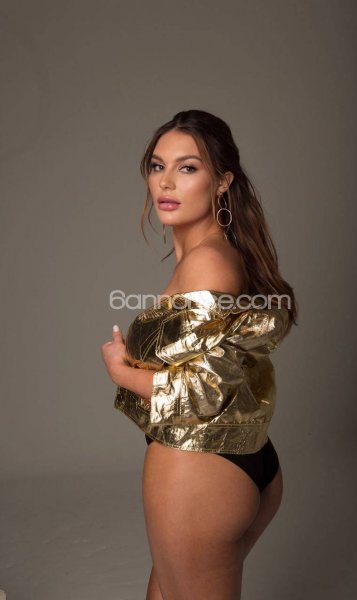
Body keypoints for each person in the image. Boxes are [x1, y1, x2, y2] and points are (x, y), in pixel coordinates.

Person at [101, 109, 298, 600]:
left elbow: (204, 392)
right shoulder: (211, 253)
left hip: (199, 471)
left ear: (222, 181)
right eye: (157, 166)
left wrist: (121, 372)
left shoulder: (208, 262)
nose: (166, 182)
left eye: (187, 168)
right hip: (230, 462)